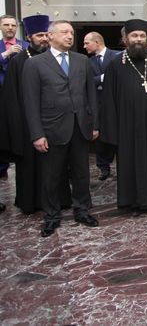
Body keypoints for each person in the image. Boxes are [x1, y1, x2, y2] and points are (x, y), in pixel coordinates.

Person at [22, 20, 99, 237]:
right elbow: (30, 102)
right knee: (52, 176)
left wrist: (94, 124)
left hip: (80, 127)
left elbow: (91, 95)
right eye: (64, 32)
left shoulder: (82, 61)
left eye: (71, 32)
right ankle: (52, 215)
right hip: (52, 128)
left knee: (82, 173)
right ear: (50, 36)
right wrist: (37, 134)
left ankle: (82, 210)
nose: (69, 36)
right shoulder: (35, 64)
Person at [100, 19, 147, 215]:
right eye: (134, 35)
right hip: (128, 126)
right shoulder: (115, 65)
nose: (138, 39)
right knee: (132, 164)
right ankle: (135, 202)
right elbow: (108, 100)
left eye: (142, 36)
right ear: (125, 38)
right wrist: (112, 130)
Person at [0, 15, 71, 214]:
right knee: (30, 165)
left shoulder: (56, 58)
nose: (44, 39)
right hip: (27, 124)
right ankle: (31, 202)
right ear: (29, 37)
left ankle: (59, 200)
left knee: (56, 165)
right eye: (39, 35)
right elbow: (12, 98)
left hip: (55, 122)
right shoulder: (18, 61)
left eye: (46, 35)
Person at [83, 31, 120, 180]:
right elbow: (88, 82)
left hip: (116, 105)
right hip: (98, 106)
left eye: (87, 43)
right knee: (100, 139)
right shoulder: (87, 62)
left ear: (97, 42)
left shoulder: (117, 56)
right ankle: (103, 167)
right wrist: (103, 78)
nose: (84, 46)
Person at [0, 14, 29, 180]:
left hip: (20, 96)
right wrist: (6, 54)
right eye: (6, 25)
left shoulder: (26, 46)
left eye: (13, 25)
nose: (10, 28)